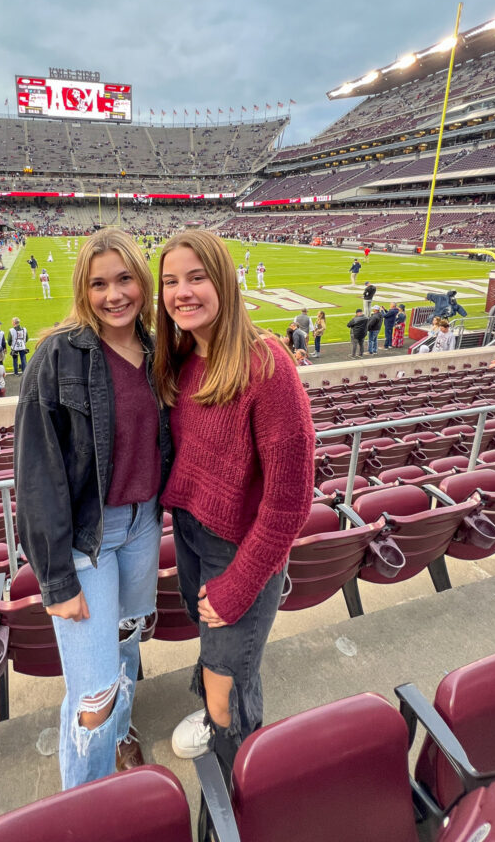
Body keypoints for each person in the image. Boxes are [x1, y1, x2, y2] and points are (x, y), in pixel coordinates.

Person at [153, 230, 313, 839]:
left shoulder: (266, 363)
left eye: (196, 277)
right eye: (170, 280)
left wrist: (239, 583)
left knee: (224, 696)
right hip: (193, 537)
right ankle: (238, 760)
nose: (182, 291)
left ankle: (233, 814)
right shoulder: (181, 358)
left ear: (224, 281)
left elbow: (291, 499)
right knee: (227, 667)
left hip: (240, 554)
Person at [14, 227, 170, 790]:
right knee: (94, 693)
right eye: (100, 283)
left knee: (127, 644)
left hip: (143, 524)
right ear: (84, 288)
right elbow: (36, 474)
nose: (114, 294)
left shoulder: (156, 349)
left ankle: (122, 738)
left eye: (125, 279)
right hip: (88, 540)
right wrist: (55, 581)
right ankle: (85, 808)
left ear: (142, 281)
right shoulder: (58, 354)